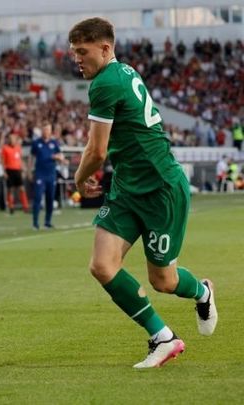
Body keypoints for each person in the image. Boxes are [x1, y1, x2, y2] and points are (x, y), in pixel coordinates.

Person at [69, 17, 217, 369]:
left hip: (160, 187)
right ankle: (162, 337)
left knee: (163, 280)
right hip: (127, 187)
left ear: (105, 48)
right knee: (102, 265)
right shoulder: (122, 72)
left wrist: (78, 179)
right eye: (74, 52)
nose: (77, 59)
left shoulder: (105, 82)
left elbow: (97, 151)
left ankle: (203, 291)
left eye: (83, 52)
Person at [29, 121, 65, 230]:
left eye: (48, 129)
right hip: (40, 174)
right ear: (42, 131)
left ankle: (47, 222)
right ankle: (35, 223)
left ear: (50, 131)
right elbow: (31, 157)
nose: (46, 131)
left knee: (50, 199)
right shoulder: (36, 143)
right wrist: (29, 171)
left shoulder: (54, 143)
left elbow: (60, 155)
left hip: (51, 175)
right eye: (44, 129)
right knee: (38, 198)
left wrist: (59, 158)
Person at [0, 133, 29, 214]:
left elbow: (20, 159)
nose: (12, 140)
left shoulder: (18, 148)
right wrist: (4, 172)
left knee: (22, 188)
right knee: (10, 189)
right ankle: (11, 206)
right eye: (10, 139)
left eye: (13, 139)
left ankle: (25, 206)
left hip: (17, 170)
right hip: (9, 170)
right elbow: (2, 161)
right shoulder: (5, 148)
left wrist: (23, 168)